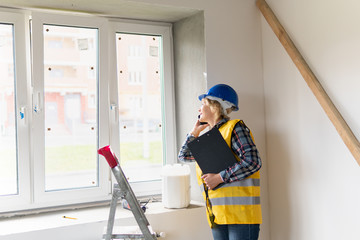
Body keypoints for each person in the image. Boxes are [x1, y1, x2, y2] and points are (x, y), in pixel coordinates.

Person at [178, 84, 262, 240]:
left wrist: (219, 177)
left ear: (214, 106)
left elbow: (253, 162)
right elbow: (183, 156)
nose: (199, 109)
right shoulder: (209, 139)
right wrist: (194, 132)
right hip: (217, 216)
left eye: (203, 104)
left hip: (241, 217)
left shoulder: (235, 128)